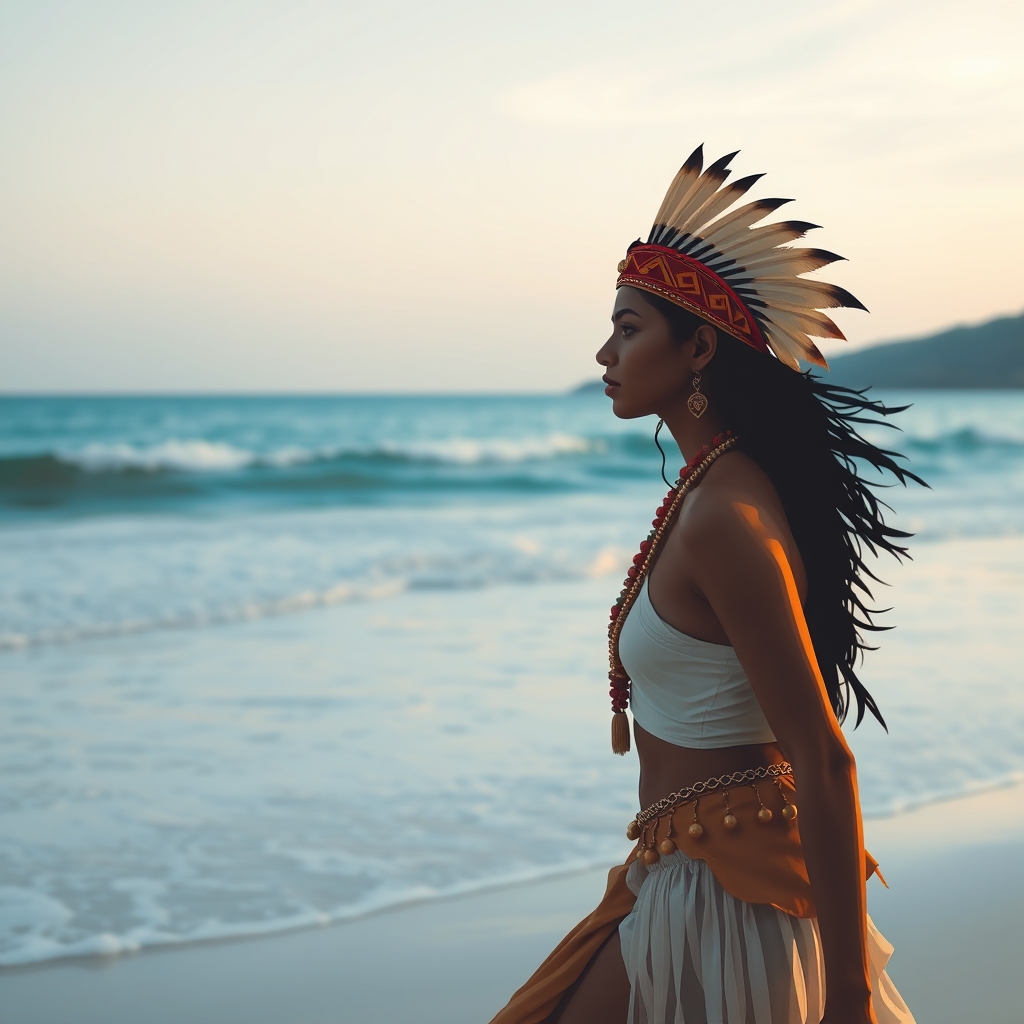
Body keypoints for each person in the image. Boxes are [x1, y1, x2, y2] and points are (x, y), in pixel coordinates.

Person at [489, 147, 920, 1024]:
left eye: (628, 329)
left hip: (724, 900)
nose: (604, 351)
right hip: (682, 874)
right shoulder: (712, 490)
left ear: (698, 348)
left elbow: (823, 755)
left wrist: (847, 1002)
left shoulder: (724, 513)